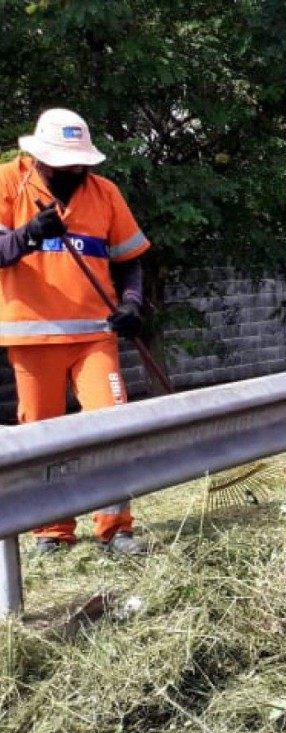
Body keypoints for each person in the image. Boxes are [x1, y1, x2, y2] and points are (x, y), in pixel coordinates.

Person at [0, 108, 151, 555]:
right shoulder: (8, 182)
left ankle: (116, 528)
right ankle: (51, 532)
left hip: (95, 334)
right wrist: (28, 234)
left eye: (80, 164)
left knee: (111, 423)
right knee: (43, 435)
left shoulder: (104, 192)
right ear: (40, 156)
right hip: (32, 335)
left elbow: (130, 260)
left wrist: (131, 304)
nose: (74, 172)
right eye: (65, 165)